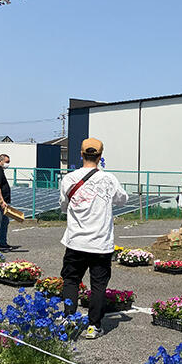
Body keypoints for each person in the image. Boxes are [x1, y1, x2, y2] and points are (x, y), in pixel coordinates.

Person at [59, 137, 128, 340]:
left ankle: (69, 318)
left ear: (81, 154)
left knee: (71, 280)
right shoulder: (109, 179)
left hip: (75, 241)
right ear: (100, 155)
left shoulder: (69, 179)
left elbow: (64, 206)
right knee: (98, 285)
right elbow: (123, 199)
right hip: (101, 243)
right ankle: (93, 326)